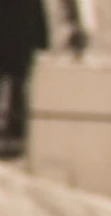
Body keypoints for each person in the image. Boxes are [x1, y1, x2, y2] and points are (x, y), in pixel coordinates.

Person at [0, 0, 49, 157]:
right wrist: (43, 40)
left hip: (14, 41)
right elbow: (37, 10)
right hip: (21, 43)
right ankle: (16, 134)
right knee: (19, 87)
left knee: (17, 87)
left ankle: (15, 134)